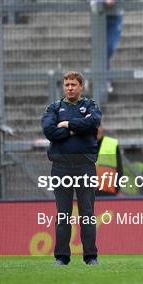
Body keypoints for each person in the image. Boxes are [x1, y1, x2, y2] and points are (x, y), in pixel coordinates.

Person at [41, 71, 102, 266]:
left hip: (85, 166)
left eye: (73, 84)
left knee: (87, 213)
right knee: (63, 214)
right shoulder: (54, 107)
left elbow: (93, 122)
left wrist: (67, 125)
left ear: (81, 86)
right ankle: (61, 257)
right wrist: (78, 130)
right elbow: (49, 131)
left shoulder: (90, 105)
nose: (69, 88)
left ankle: (90, 256)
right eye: (67, 84)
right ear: (63, 86)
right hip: (61, 167)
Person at [95, 127, 123, 196]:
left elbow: (119, 169)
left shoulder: (111, 144)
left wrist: (117, 188)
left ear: (101, 128)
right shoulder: (83, 144)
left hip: (109, 192)